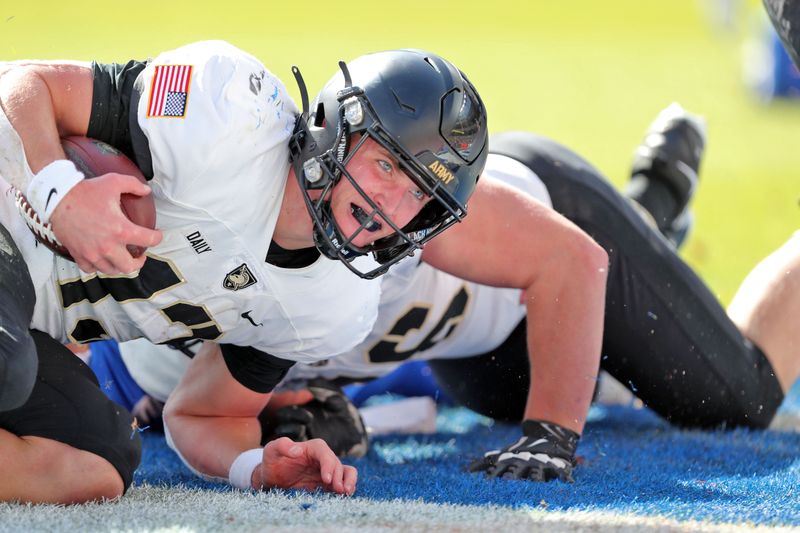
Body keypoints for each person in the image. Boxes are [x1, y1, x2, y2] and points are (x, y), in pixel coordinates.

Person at [115, 101, 796, 485]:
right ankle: (653, 213)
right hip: (473, 347)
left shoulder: (375, 205)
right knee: (531, 392)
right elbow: (199, 417)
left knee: (736, 397)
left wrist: (551, 434)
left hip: (551, 234)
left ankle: (639, 221)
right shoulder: (179, 358)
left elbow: (570, 261)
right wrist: (263, 456)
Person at [0, 41, 493, 503]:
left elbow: (206, 413)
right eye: (387, 166)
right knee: (6, 366)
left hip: (31, 321)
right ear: (336, 126)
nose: (390, 204)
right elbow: (26, 84)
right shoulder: (227, 112)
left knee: (100, 462)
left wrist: (255, 466)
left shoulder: (333, 307)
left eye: (419, 193)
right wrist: (56, 191)